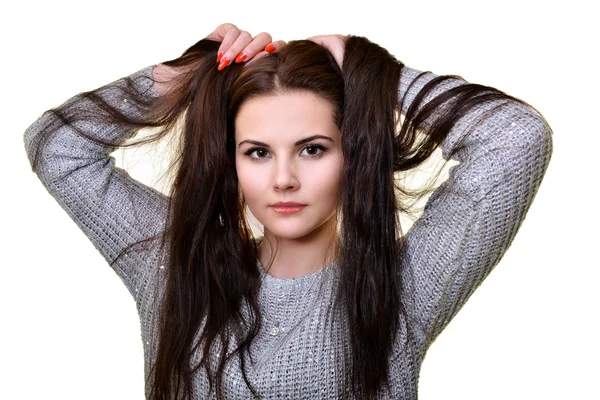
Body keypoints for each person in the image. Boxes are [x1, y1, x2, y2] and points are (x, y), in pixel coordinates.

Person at [23, 22, 553, 400]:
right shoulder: (174, 264)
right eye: (258, 152)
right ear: (231, 160)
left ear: (352, 153)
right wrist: (176, 77)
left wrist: (378, 78)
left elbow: (517, 138)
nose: (283, 178)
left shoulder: (400, 287)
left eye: (312, 148)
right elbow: (55, 147)